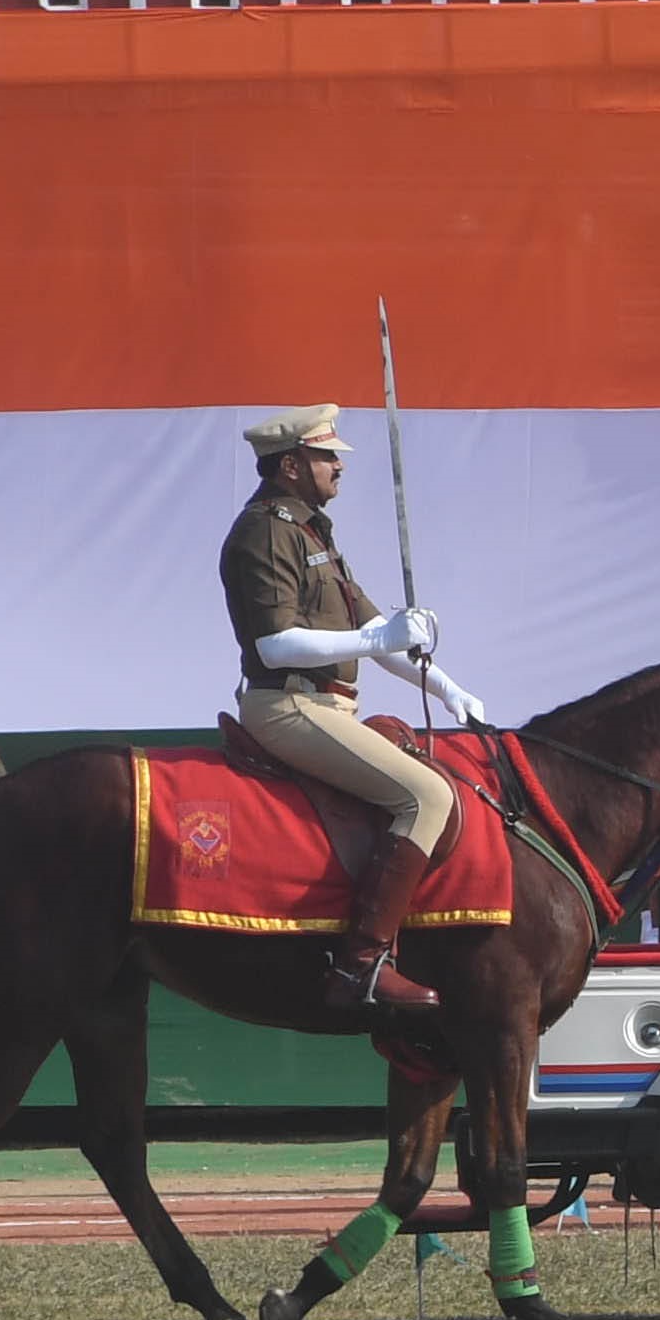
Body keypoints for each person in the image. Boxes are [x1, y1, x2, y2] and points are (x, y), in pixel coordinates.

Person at [217, 406, 478, 1013]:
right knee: (429, 797)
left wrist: (448, 689)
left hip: (329, 705)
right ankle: (360, 964)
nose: (339, 466)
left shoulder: (313, 533)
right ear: (291, 465)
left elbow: (377, 631)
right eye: (327, 456)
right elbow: (274, 644)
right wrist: (377, 640)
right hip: (286, 704)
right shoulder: (264, 531)